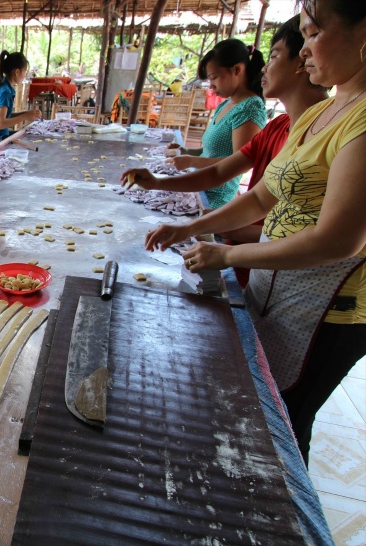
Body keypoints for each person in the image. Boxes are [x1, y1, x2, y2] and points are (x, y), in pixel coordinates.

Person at [144, 0, 366, 465]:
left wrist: (226, 256)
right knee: (264, 406)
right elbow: (262, 198)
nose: (305, 51)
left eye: (313, 33)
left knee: (288, 421)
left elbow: (339, 241)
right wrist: (190, 227)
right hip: (279, 286)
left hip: (330, 309)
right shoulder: (319, 113)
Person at [121, 15, 329, 249]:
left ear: (304, 60)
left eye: (274, 56)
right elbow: (231, 180)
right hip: (260, 261)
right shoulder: (278, 127)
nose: (264, 68)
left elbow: (326, 239)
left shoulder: (330, 132)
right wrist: (159, 184)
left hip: (280, 261)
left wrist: (225, 242)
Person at [168, 39, 267, 208]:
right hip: (198, 188)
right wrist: (186, 151)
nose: (211, 86)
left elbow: (239, 164)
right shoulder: (225, 104)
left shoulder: (251, 107)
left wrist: (191, 161)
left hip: (215, 198)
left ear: (237, 70)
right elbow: (210, 150)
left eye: (214, 78)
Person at [0, 50, 42, 149]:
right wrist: (26, 115)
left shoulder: (7, 87)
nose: (25, 75)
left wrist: (27, 113)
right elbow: (0, 124)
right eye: (24, 72)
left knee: (31, 136)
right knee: (30, 144)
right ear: (17, 72)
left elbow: (6, 116)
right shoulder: (4, 91)